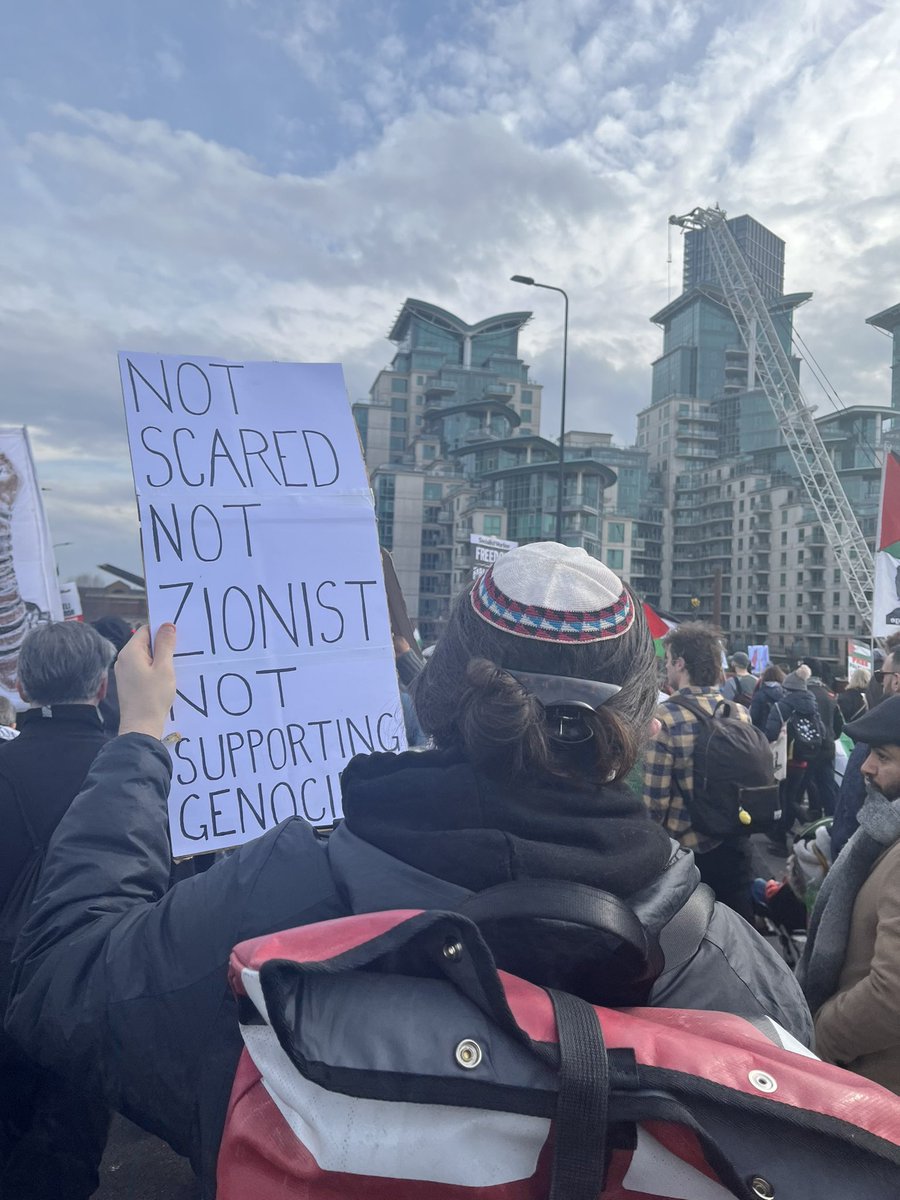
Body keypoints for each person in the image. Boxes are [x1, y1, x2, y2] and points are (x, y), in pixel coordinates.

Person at [6, 545, 812, 1197]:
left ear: (438, 691)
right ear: (636, 716)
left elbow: (61, 981)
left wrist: (139, 739)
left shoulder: (280, 895)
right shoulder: (738, 969)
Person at [0, 621, 114, 1199]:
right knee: (67, 1153)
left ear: (23, 685)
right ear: (100, 689)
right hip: (92, 984)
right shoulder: (132, 774)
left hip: (5, 981)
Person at [797, 695, 900, 1094]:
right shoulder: (886, 829)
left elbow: (892, 996)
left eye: (883, 757)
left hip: (874, 1085)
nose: (865, 767)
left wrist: (819, 1035)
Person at [642, 622, 756, 919]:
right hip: (737, 844)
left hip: (689, 855)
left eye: (668, 661)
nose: (666, 668)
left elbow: (655, 804)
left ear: (680, 664)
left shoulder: (664, 717)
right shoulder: (738, 713)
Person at [765, 665, 823, 851]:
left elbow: (771, 733)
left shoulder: (781, 706)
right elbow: (821, 730)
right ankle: (794, 822)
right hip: (806, 758)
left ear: (787, 689)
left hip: (785, 759)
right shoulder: (813, 706)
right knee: (792, 796)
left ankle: (781, 838)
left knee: (783, 799)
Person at [806, 676, 844, 819]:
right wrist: (832, 736)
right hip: (828, 744)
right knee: (827, 783)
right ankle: (831, 815)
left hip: (808, 745)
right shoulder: (830, 695)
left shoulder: (805, 693)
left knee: (809, 781)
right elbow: (839, 723)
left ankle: (814, 810)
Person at [749, 664, 785, 731]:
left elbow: (754, 717)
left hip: (762, 732)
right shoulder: (785, 694)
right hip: (781, 731)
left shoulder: (759, 694)